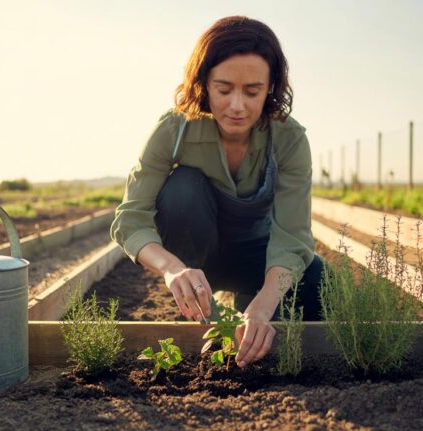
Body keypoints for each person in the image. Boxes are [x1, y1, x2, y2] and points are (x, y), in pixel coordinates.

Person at [110, 16, 325, 367]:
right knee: (182, 188)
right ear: (204, 84)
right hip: (199, 262)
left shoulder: (289, 139)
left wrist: (263, 307)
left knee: (320, 287)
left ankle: (247, 303)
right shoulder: (174, 130)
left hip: (259, 258)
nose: (237, 105)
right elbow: (130, 220)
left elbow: (292, 237)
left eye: (252, 92)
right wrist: (172, 269)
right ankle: (201, 308)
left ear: (271, 88)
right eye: (224, 90)